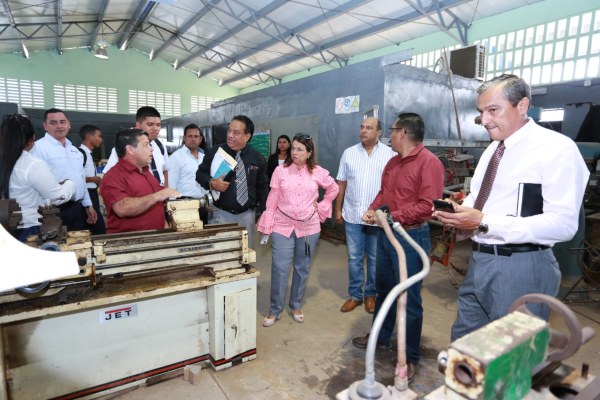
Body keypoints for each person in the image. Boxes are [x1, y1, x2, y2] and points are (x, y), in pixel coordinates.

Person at [433, 74, 589, 341]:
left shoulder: (557, 149)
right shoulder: (493, 150)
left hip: (522, 265)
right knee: (465, 346)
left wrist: (484, 222)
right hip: (480, 260)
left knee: (509, 354)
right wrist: (460, 211)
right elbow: (480, 198)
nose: (485, 120)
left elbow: (563, 224)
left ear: (523, 105)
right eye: (481, 112)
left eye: (493, 110)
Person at [352, 113, 445, 383]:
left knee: (410, 299)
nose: (388, 135)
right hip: (386, 236)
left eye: (391, 131)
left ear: (402, 133)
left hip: (411, 238)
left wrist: (391, 216)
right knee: (384, 290)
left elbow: (428, 206)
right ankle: (380, 338)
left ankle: (411, 356)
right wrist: (374, 209)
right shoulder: (393, 163)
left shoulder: (429, 163)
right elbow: (385, 194)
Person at [257, 133, 339, 326]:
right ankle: (275, 309)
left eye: (300, 149)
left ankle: (295, 305)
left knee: (302, 268)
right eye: (293, 148)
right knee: (280, 267)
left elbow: (333, 188)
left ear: (309, 153)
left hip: (309, 228)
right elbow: (273, 197)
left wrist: (325, 203)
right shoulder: (280, 171)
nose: (294, 152)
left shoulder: (317, 172)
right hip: (282, 225)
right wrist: (268, 218)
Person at [335, 117, 395, 314]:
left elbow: (391, 188)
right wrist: (337, 209)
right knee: (354, 258)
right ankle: (355, 295)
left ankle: (371, 294)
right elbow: (341, 183)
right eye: (361, 127)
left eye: (369, 128)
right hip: (352, 215)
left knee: (375, 258)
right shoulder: (349, 153)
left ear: (379, 132)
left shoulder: (389, 155)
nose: (363, 131)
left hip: (377, 218)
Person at [0, 114, 76, 241]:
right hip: (29, 229)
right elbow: (57, 197)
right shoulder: (32, 164)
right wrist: (69, 184)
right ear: (32, 139)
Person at [196, 115, 269, 246]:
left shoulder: (257, 158)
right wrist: (212, 183)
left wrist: (264, 212)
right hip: (220, 214)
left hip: (247, 216)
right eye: (229, 131)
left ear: (247, 136)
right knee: (220, 255)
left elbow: (263, 187)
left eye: (236, 133)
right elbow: (200, 174)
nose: (230, 135)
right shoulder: (214, 152)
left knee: (245, 256)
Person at [99, 129, 181, 234]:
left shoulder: (146, 171)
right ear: (130, 149)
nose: (151, 149)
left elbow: (157, 207)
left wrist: (166, 230)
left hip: (155, 239)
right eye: (146, 145)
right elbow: (122, 208)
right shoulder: (113, 176)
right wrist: (157, 196)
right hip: (129, 243)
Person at [30, 108, 97, 231]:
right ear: (45, 126)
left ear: (69, 125)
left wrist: (88, 204)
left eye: (62, 122)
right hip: (52, 211)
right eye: (53, 123)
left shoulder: (75, 151)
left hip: (76, 208)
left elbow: (80, 178)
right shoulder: (38, 148)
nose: (59, 126)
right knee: (54, 247)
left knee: (77, 244)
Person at [103, 106, 170, 187]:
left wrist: (165, 192)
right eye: (150, 124)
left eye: (158, 125)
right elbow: (109, 177)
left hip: (160, 194)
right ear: (138, 125)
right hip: (139, 195)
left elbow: (165, 170)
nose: (155, 128)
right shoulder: (126, 147)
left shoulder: (160, 146)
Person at [169, 123, 209, 224]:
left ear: (200, 139)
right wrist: (172, 210)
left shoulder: (204, 157)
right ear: (184, 138)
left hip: (203, 204)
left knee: (203, 236)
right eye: (190, 136)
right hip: (184, 205)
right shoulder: (176, 157)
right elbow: (171, 185)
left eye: (196, 136)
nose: (193, 139)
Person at [79, 124, 106, 234]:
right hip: (86, 195)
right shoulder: (80, 154)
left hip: (92, 194)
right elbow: (74, 178)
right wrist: (93, 179)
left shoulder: (88, 154)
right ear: (89, 137)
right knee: (98, 228)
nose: (101, 139)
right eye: (99, 136)